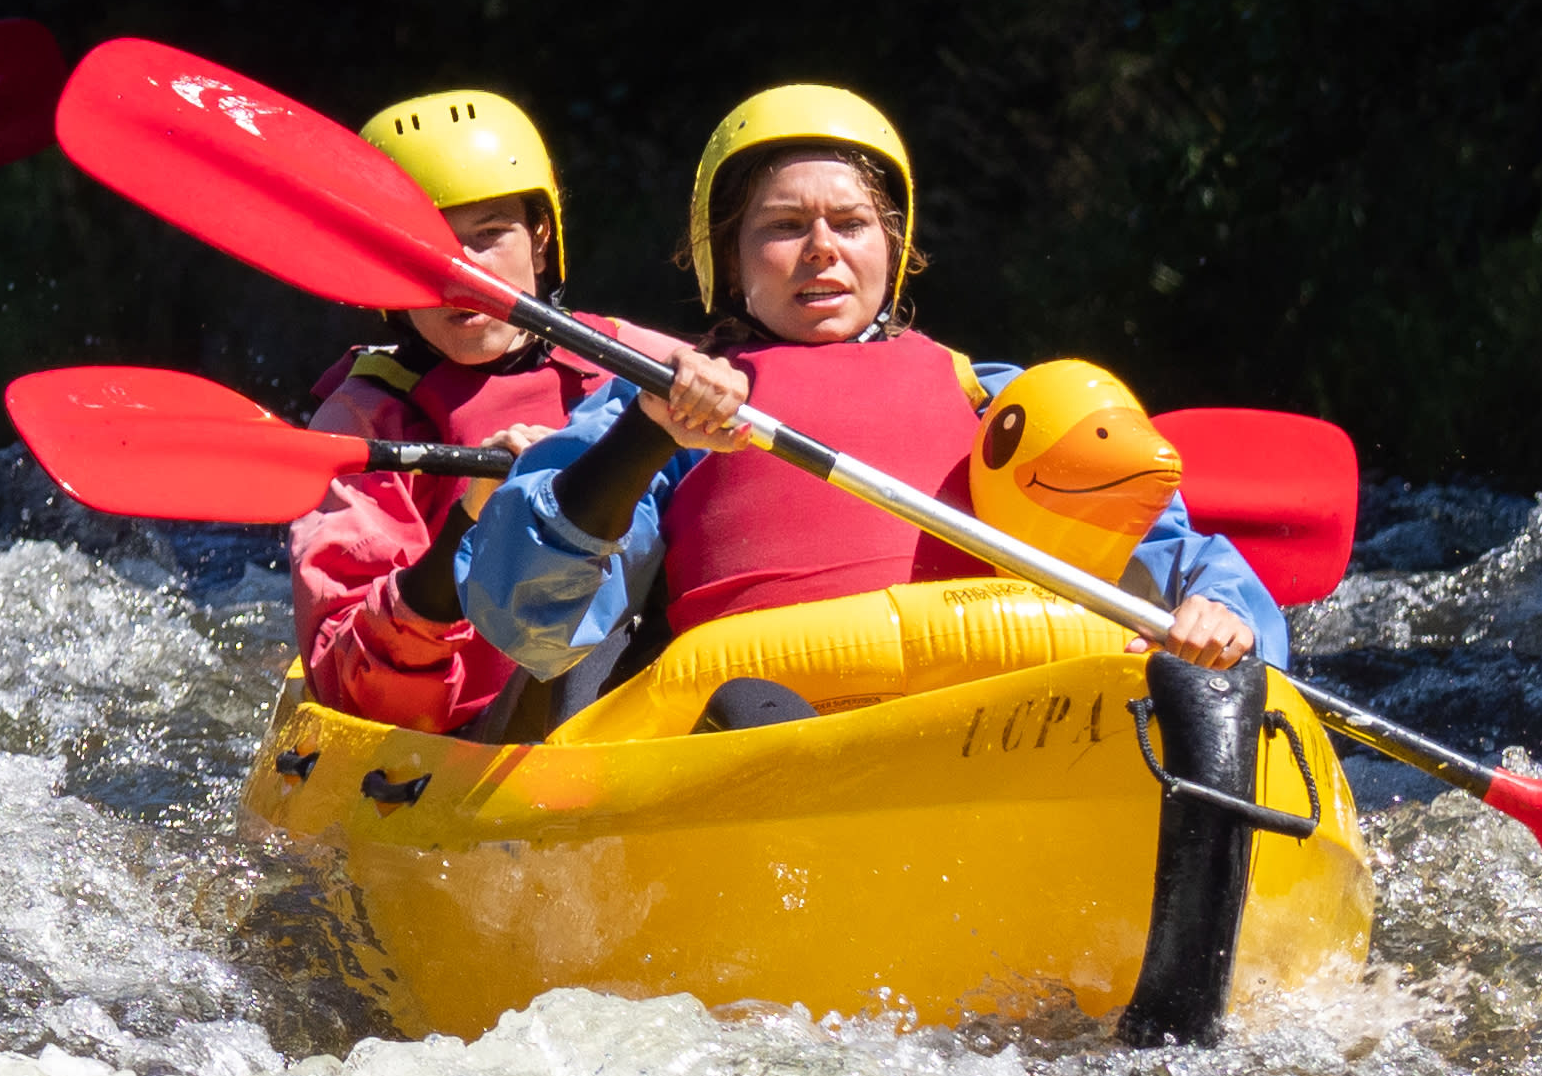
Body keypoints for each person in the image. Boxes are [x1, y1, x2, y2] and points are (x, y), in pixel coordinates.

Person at [461, 83, 1276, 719]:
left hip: (993, 714)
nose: (822, 250)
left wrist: (1218, 611)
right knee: (751, 710)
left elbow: (1172, 549)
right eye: (783, 226)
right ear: (727, 258)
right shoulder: (651, 408)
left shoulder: (995, 399)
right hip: (753, 730)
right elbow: (526, 620)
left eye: (850, 223)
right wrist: (643, 440)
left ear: (892, 247)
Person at [287, 89, 648, 731]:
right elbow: (354, 689)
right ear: (382, 268)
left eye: (488, 236)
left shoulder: (636, 362)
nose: (462, 273)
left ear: (540, 240)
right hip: (472, 738)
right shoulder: (366, 422)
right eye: (428, 252)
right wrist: (469, 520)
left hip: (652, 700)